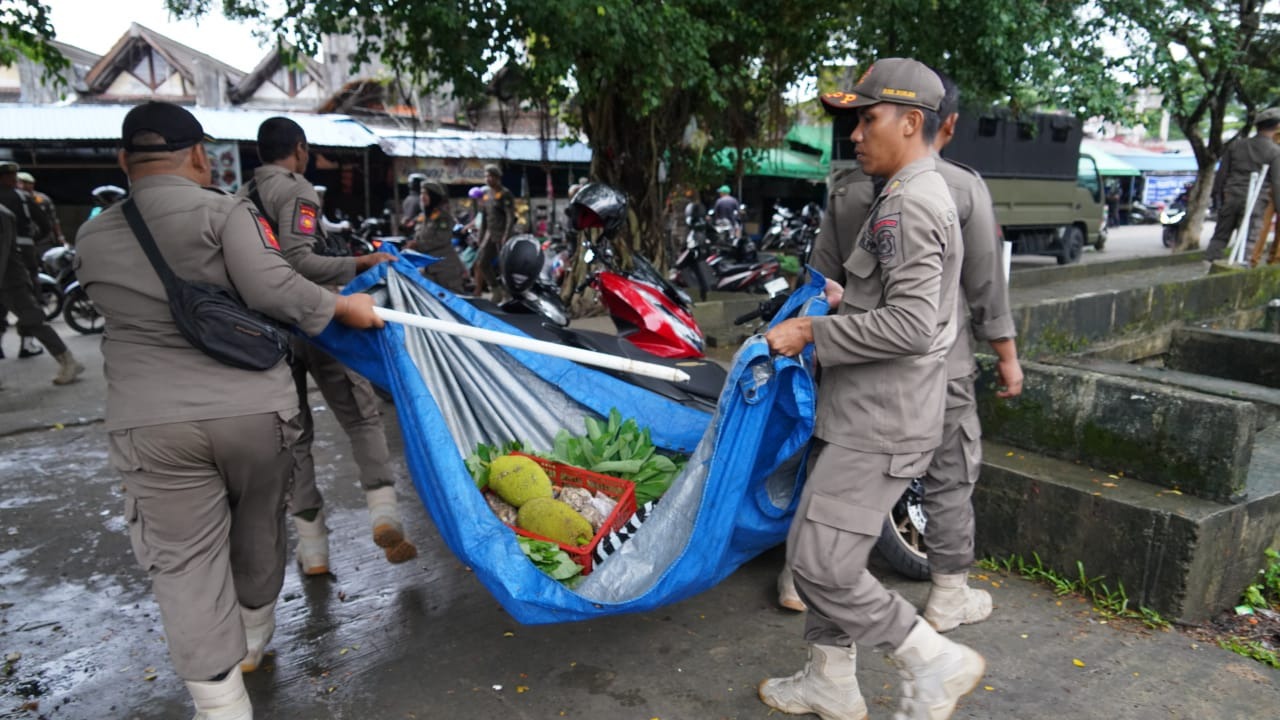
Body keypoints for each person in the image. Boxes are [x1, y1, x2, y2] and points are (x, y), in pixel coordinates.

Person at [74, 101, 385, 719]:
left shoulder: (93, 234)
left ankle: (221, 706)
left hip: (150, 423)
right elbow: (274, 286)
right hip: (253, 412)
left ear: (123, 161)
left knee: (184, 560)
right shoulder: (224, 211)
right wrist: (346, 308)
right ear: (197, 156)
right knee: (258, 526)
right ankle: (252, 635)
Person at [758, 58, 984, 720]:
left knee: (819, 563)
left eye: (868, 118)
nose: (855, 135)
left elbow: (914, 326)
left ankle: (931, 659)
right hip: (868, 410)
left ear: (912, 122)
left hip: (880, 420)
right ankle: (829, 676)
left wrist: (812, 334)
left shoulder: (908, 205)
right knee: (819, 541)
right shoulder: (900, 192)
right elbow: (900, 304)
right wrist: (843, 300)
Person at [244, 116, 417, 577]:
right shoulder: (298, 189)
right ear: (298, 148)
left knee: (293, 434)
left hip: (267, 332)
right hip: (317, 320)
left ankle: (313, 548)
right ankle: (384, 514)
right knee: (361, 414)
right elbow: (297, 258)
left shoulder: (240, 199)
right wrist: (361, 260)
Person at [0, 162, 82, 382]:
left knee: (32, 316)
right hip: (24, 259)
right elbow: (45, 225)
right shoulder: (24, 198)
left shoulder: (6, 211)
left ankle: (67, 361)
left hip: (11, 273)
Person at [1206, 107, 1280, 263]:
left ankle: (1209, 265)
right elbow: (1276, 182)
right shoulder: (1275, 151)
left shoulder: (1236, 145)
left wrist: (1217, 198)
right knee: (1247, 239)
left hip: (1231, 196)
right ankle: (1240, 268)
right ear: (1277, 126)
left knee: (1220, 235)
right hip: (1255, 201)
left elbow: (1221, 175)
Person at [406, 181, 469, 294]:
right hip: (428, 267)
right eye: (421, 193)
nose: (422, 197)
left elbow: (441, 239)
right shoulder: (424, 218)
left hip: (445, 268)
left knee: (454, 301)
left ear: (434, 197)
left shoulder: (443, 218)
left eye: (426, 194)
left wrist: (417, 245)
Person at [475, 164, 516, 301]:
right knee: (482, 262)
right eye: (486, 176)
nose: (488, 179)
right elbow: (485, 218)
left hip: (502, 235)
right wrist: (480, 237)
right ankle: (495, 289)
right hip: (489, 234)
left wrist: (507, 234)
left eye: (491, 176)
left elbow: (511, 216)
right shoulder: (486, 195)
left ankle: (508, 293)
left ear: (498, 178)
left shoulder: (505, 194)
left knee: (504, 265)